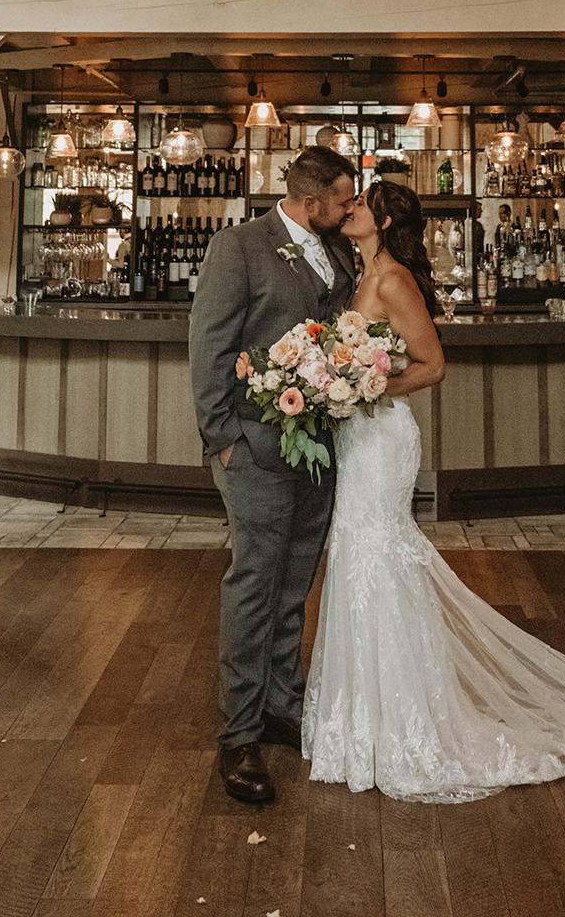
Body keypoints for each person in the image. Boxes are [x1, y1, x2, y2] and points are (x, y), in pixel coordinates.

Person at [302, 178, 565, 803]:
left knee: (378, 553)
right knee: (358, 554)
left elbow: (433, 365)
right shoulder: (359, 274)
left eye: (362, 203)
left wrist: (367, 388)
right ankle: (366, 717)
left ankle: (404, 719)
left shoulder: (392, 281)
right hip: (356, 438)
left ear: (383, 222)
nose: (351, 208)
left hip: (382, 438)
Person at [189, 144, 357, 806]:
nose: (349, 209)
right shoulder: (238, 247)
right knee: (255, 584)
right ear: (311, 202)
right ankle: (239, 733)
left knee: (296, 579)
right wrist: (223, 440)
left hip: (320, 446)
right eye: (342, 200)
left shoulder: (337, 250)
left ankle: (281, 705)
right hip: (254, 448)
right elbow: (210, 346)